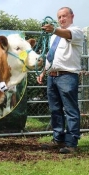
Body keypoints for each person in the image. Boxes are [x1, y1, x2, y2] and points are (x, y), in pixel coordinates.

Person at [37, 7, 84, 154]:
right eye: (59, 17)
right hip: (52, 76)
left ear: (72, 16)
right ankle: (58, 139)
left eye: (64, 16)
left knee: (70, 110)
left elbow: (66, 33)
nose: (61, 19)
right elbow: (53, 56)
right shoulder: (53, 37)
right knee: (55, 110)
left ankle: (71, 143)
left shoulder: (76, 31)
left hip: (67, 76)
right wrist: (43, 72)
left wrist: (54, 29)